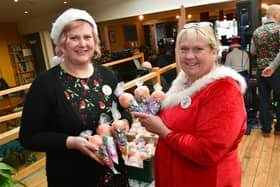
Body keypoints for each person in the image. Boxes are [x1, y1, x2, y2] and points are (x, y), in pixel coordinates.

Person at [19, 8, 131, 187]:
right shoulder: (45, 84)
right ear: (62, 44)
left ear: (95, 42)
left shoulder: (107, 75)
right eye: (74, 38)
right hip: (71, 177)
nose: (82, 44)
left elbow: (124, 113)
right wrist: (70, 142)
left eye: (87, 37)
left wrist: (125, 123)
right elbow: (28, 137)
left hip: (115, 174)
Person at [132, 22, 247, 186]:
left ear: (214, 52)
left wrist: (163, 130)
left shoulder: (224, 90)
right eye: (183, 49)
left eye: (198, 49)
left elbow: (207, 152)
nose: (189, 56)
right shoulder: (184, 83)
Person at [250, 4, 280, 137]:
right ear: (276, 15)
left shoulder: (256, 32)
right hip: (277, 70)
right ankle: (279, 128)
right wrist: (273, 66)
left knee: (263, 100)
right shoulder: (279, 29)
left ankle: (266, 129)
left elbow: (253, 51)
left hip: (261, 71)